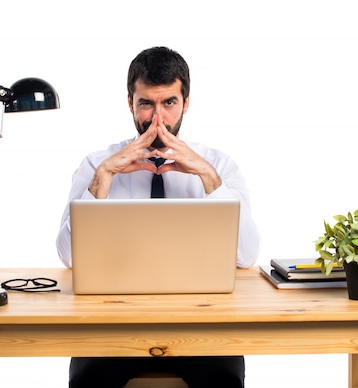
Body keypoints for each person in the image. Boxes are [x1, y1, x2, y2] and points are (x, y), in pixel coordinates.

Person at [56, 46, 261, 388]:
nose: (157, 119)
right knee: (87, 380)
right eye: (146, 104)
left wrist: (208, 178)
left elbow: (246, 257)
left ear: (186, 103)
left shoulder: (220, 165)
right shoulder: (96, 164)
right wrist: (105, 177)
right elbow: (67, 256)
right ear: (130, 103)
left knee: (223, 380)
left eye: (169, 103)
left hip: (201, 322)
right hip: (113, 322)